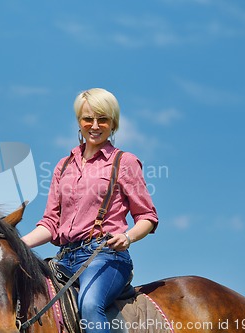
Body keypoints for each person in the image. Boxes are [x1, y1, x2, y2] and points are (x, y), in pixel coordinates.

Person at [21, 88, 158, 333]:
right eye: (88, 119)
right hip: (64, 260)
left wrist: (128, 237)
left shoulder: (124, 162)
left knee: (90, 304)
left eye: (102, 119)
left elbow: (147, 216)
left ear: (113, 123)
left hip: (106, 257)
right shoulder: (63, 166)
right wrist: (18, 244)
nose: (94, 125)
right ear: (79, 122)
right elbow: (51, 224)